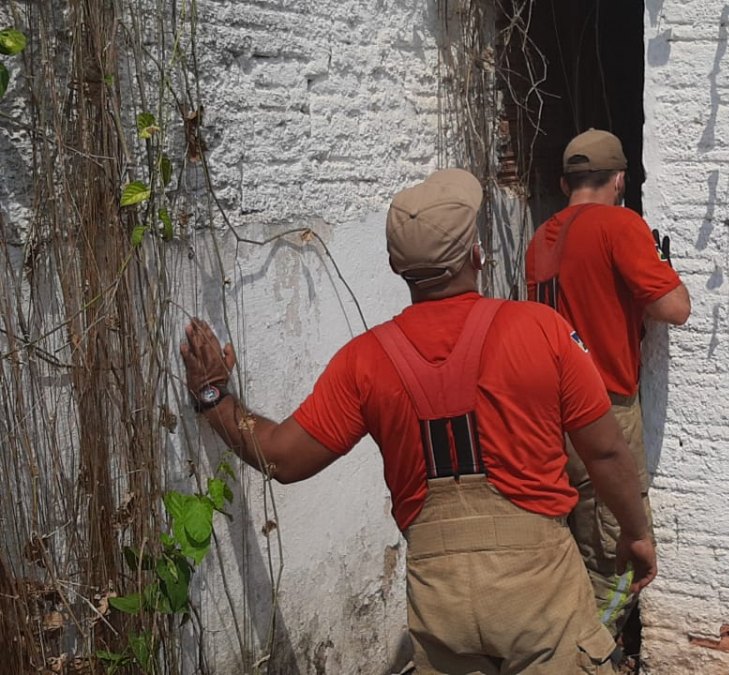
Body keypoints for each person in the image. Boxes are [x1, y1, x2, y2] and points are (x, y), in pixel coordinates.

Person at [179, 168, 657, 674]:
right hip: (538, 593)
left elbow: (281, 457)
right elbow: (605, 452)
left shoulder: (364, 361)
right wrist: (635, 534)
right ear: (476, 254)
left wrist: (214, 397)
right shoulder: (542, 330)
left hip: (440, 598)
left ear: (393, 266)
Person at [525, 130, 691, 638]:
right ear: (620, 180)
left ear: (563, 182)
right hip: (605, 414)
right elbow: (675, 308)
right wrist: (661, 261)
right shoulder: (622, 225)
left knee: (572, 548)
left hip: (549, 415)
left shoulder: (540, 239)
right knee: (617, 556)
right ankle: (586, 660)